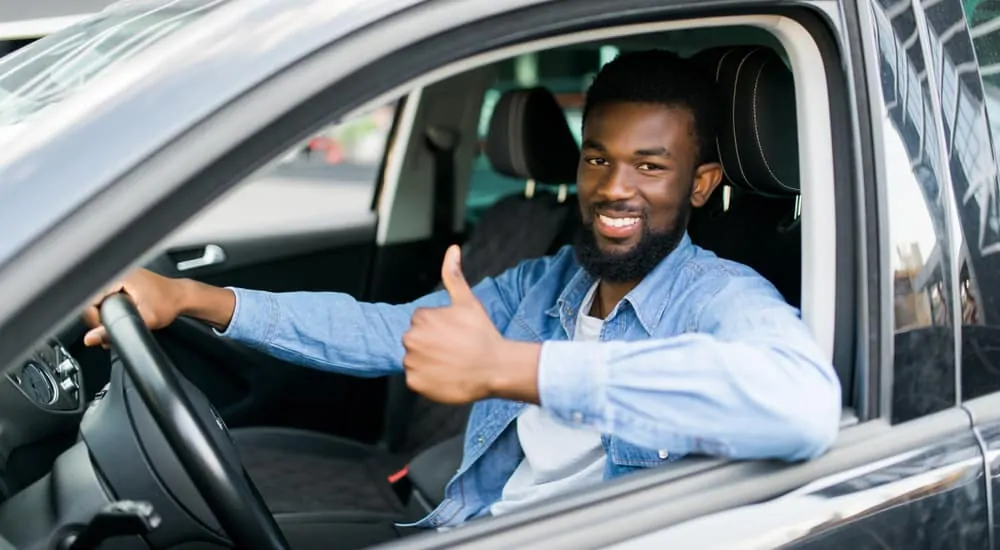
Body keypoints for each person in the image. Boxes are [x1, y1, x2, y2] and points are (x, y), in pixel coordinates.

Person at [82, 50, 841, 531]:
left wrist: (515, 370)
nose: (615, 189)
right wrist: (191, 299)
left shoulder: (722, 298)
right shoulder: (549, 282)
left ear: (702, 183)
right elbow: (385, 331)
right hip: (471, 522)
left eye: (650, 166)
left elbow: (800, 403)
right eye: (598, 160)